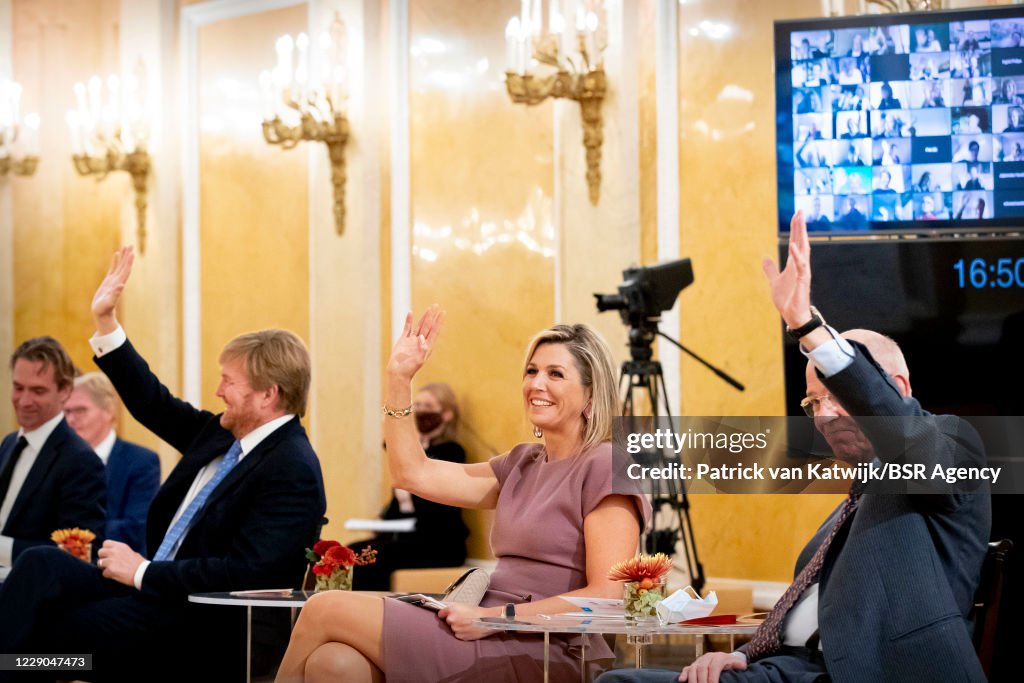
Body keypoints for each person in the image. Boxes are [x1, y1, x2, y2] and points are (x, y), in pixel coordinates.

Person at [596, 211, 991, 683]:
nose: (822, 416)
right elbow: (798, 617)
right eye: (813, 402)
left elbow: (901, 429)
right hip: (785, 669)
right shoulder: (852, 504)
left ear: (897, 387)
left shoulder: (952, 446)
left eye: (837, 397)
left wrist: (808, 329)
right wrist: (740, 654)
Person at [0, 247, 327, 682]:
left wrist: (143, 570)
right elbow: (154, 404)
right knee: (41, 563)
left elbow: (248, 572)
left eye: (228, 382)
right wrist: (106, 324)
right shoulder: (224, 434)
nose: (218, 391)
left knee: (56, 631)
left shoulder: (293, 468)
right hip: (154, 592)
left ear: (268, 394)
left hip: (198, 619)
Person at [275, 311, 652, 682]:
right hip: (479, 621)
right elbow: (412, 473)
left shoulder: (608, 464)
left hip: (545, 643)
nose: (537, 384)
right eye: (532, 371)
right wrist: (399, 377)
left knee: (325, 607)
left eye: (555, 374)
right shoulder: (522, 462)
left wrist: (498, 618)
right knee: (334, 663)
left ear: (590, 394)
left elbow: (609, 594)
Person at [349, 382, 470, 591]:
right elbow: (400, 506)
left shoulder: (451, 452)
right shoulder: (417, 450)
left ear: (447, 414)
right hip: (410, 539)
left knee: (372, 559)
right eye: (418, 405)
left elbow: (436, 510)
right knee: (353, 552)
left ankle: (375, 613)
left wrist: (408, 499)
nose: (422, 411)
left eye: (429, 406)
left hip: (438, 543)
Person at [0, 337, 106, 569]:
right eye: (18, 388)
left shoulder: (80, 460)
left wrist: (4, 549)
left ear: (65, 391)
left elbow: (76, 553)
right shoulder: (9, 443)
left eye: (38, 391)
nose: (24, 401)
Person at [65, 371, 161, 554]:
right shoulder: (61, 460)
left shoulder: (141, 461)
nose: (70, 420)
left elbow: (135, 529)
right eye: (67, 411)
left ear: (108, 411)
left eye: (80, 410)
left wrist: (70, 538)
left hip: (112, 571)